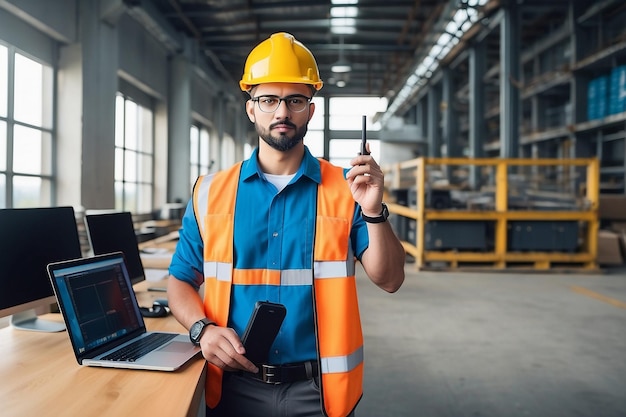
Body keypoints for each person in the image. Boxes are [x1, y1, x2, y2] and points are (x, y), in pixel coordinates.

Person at [167, 32, 406, 417]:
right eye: (269, 100)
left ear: (310, 110)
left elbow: (390, 279)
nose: (282, 112)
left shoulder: (349, 189)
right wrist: (202, 330)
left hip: (319, 391)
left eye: (295, 100)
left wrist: (375, 211)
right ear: (251, 109)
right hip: (233, 386)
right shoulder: (209, 193)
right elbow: (180, 279)